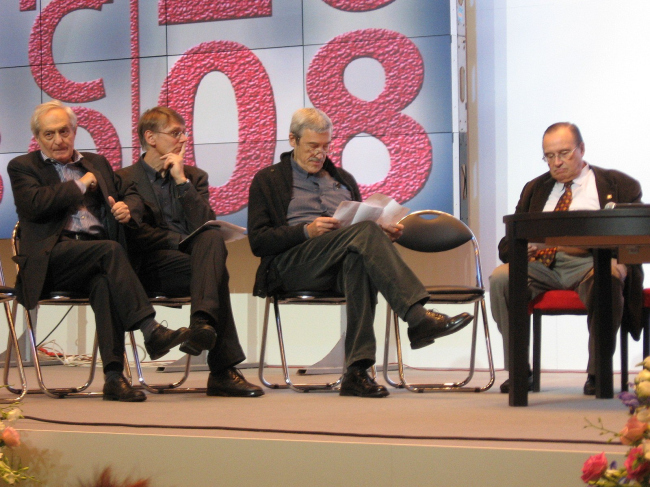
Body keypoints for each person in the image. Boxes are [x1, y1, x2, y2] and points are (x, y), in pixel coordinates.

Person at [247, 108, 473, 398]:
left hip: (338, 264)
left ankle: (356, 371)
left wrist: (382, 234)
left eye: (325, 146)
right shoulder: (268, 180)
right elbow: (259, 242)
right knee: (364, 234)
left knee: (359, 258)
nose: (320, 154)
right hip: (292, 265)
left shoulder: (343, 180)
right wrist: (306, 231)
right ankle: (417, 317)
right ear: (293, 140)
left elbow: (359, 228)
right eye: (312, 146)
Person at [8, 101, 190, 402]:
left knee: (105, 282)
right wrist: (80, 185)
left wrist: (127, 208)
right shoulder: (23, 167)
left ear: (75, 131)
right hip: (52, 261)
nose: (58, 140)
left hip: (94, 259)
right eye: (49, 134)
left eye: (64, 131)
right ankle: (150, 329)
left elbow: (130, 192)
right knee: (110, 251)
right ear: (38, 138)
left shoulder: (97, 163)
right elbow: (35, 205)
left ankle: (114, 377)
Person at [117, 107, 262, 397]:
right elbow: (137, 234)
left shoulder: (194, 178)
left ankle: (201, 324)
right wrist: (181, 241)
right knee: (214, 272)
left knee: (211, 239)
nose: (183, 139)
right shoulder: (124, 179)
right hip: (146, 268)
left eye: (184, 133)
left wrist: (181, 182)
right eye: (175, 133)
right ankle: (222, 370)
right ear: (151, 137)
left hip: (189, 266)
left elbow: (204, 224)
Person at [489, 122, 644, 395]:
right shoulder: (535, 188)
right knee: (501, 277)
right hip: (541, 265)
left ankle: (597, 372)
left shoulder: (617, 184)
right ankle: (519, 371)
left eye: (564, 153)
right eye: (549, 156)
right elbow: (508, 242)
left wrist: (620, 259)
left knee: (607, 278)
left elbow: (637, 234)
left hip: (590, 263)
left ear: (581, 149)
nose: (557, 162)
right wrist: (521, 248)